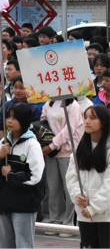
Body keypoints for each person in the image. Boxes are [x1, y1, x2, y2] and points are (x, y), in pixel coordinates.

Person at [0, 103, 45, 249]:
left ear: (25, 121)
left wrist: (10, 175)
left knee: (23, 244)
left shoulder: (32, 145)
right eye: (8, 116)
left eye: (15, 118)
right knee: (5, 244)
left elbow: (35, 177)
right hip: (4, 202)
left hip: (24, 205)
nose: (9, 121)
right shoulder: (3, 143)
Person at [68, 105, 110, 247]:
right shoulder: (79, 149)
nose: (87, 121)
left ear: (103, 122)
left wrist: (94, 207)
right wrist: (77, 197)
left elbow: (109, 184)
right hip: (84, 214)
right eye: (85, 117)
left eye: (93, 118)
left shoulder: (108, 150)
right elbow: (72, 177)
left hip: (105, 215)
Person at [42, 98, 83, 234]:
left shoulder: (73, 105)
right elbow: (43, 123)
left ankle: (68, 223)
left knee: (69, 188)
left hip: (68, 152)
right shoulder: (48, 103)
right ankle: (55, 220)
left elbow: (69, 130)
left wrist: (53, 145)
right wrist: (45, 144)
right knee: (53, 188)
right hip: (50, 154)